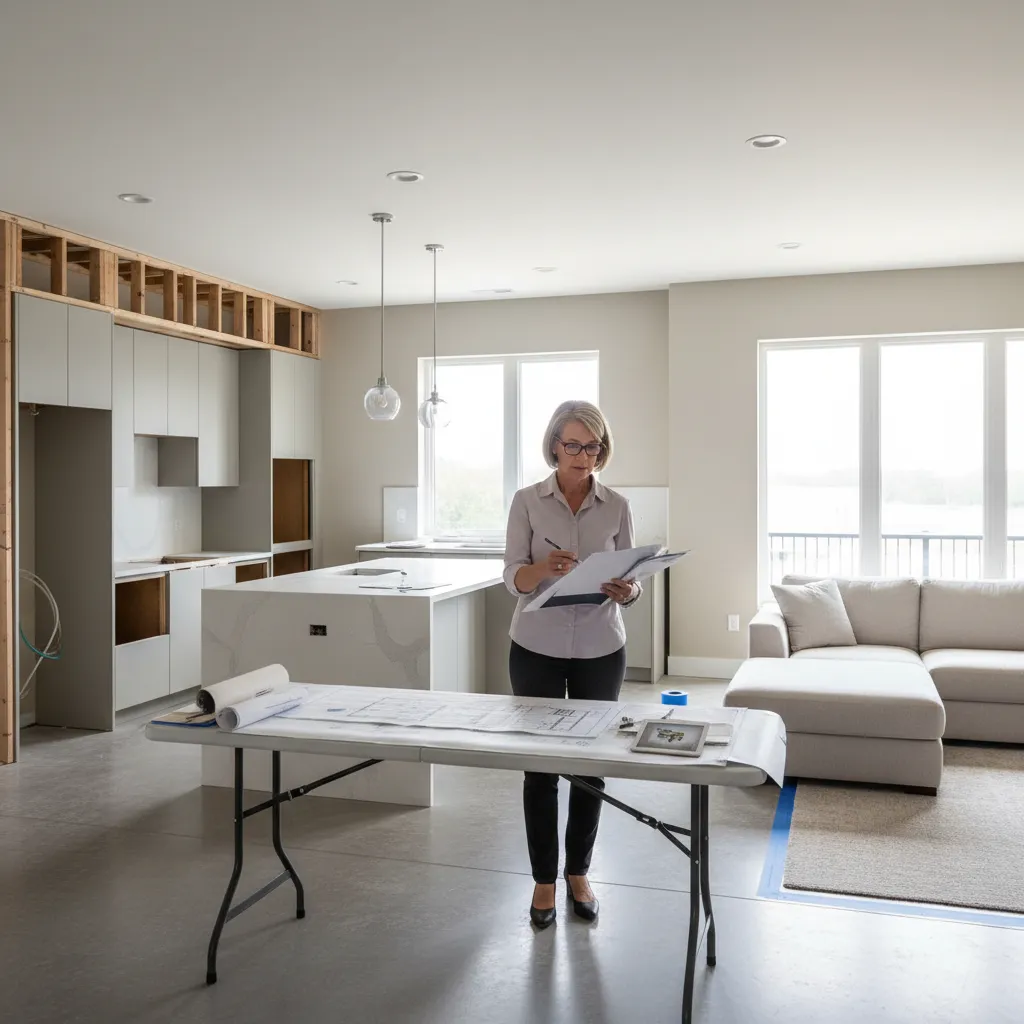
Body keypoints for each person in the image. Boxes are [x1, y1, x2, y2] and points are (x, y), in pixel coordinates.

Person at [502, 399, 641, 929]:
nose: (584, 455)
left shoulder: (618, 505)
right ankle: (543, 881)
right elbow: (511, 574)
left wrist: (628, 589)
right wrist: (539, 569)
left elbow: (635, 576)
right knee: (540, 768)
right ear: (554, 446)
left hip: (601, 649)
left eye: (593, 446)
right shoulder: (526, 501)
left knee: (589, 768)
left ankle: (579, 873)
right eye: (574, 445)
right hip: (535, 645)